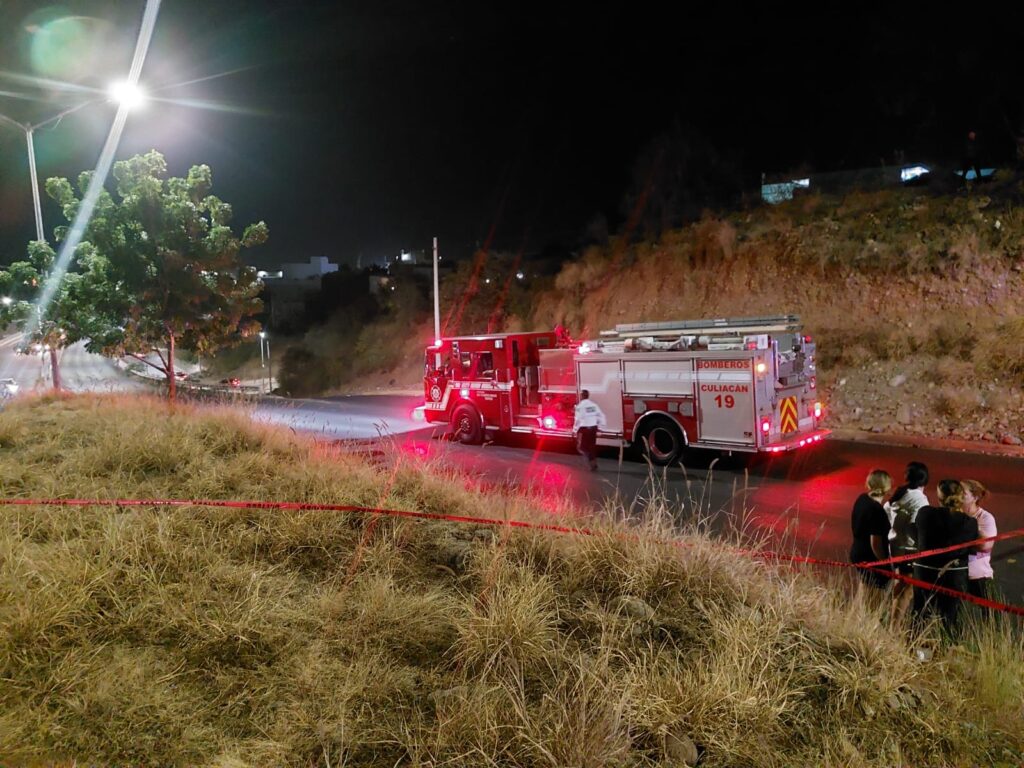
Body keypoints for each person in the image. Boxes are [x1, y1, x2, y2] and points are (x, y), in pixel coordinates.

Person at [912, 479, 979, 636]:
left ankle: (916, 654)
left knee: (921, 614)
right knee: (950, 618)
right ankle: (945, 653)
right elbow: (970, 547)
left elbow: (918, 536)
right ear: (960, 496)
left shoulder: (925, 514)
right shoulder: (969, 522)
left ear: (939, 495)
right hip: (954, 575)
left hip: (925, 573)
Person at [885, 461, 930, 623]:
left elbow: (886, 513)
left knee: (899, 585)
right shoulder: (919, 500)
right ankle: (894, 628)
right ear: (925, 480)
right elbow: (915, 525)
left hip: (895, 546)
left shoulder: (900, 493)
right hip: (909, 550)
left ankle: (890, 621)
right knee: (906, 591)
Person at [850, 469, 893, 589]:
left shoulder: (862, 499)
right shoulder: (877, 511)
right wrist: (885, 562)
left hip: (857, 551)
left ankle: (857, 608)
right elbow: (876, 544)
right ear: (887, 488)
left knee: (864, 587)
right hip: (870, 558)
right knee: (874, 594)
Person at [962, 478, 997, 602]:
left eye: (963, 493)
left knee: (992, 613)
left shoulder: (985, 518)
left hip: (979, 574)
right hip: (956, 573)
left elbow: (985, 546)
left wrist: (969, 524)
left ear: (975, 497)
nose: (958, 496)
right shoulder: (953, 515)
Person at [573, 389, 606, 471]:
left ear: (582, 396)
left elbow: (577, 419)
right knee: (591, 446)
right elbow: (601, 415)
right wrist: (601, 427)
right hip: (593, 428)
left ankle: (591, 461)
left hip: (585, 429)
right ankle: (593, 463)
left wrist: (574, 430)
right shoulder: (593, 405)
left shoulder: (580, 407)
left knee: (582, 447)